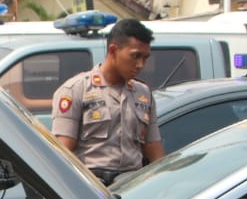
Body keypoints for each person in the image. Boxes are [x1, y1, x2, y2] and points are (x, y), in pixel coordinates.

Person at [50, 18, 163, 185]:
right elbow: (62, 154)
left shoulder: (143, 94)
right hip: (92, 185)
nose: (140, 65)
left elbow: (155, 153)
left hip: (132, 185)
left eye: (145, 58)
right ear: (113, 50)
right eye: (135, 56)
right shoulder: (76, 89)